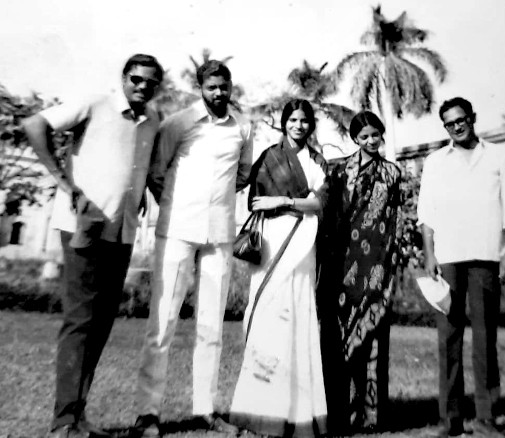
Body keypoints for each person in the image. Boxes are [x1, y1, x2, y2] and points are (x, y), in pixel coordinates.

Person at [23, 54, 164, 438]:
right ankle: (63, 421)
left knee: (100, 324)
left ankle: (78, 415)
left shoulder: (152, 118)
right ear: (124, 78)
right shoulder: (95, 102)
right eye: (136, 79)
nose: (143, 87)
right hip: (83, 226)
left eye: (151, 82)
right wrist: (65, 184)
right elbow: (35, 124)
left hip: (123, 230)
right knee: (80, 321)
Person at [131, 60, 252, 438]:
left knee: (211, 327)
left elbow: (243, 175)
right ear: (201, 87)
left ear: (231, 87)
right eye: (212, 87)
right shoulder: (179, 123)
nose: (219, 93)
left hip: (219, 236)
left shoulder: (243, 127)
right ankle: (148, 414)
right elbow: (155, 173)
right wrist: (179, 205)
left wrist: (213, 205)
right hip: (177, 231)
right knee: (162, 325)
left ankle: (206, 411)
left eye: (224, 86)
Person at [417, 97, 505, 438]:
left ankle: (486, 419)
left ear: (472, 118)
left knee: (484, 340)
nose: (456, 127)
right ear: (445, 127)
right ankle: (451, 421)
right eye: (449, 123)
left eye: (461, 120)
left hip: (486, 257)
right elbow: (426, 214)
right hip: (447, 259)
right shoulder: (435, 162)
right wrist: (429, 255)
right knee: (448, 339)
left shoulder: (497, 156)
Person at [229, 99, 328, 438]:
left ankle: (298, 417)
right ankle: (260, 414)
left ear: (310, 125)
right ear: (284, 123)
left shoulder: (316, 160)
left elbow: (320, 203)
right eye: (293, 120)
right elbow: (255, 201)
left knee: (298, 321)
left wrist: (284, 201)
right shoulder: (270, 156)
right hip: (272, 242)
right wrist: (274, 205)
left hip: (303, 244)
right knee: (269, 323)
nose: (299, 126)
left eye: (304, 121)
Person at [318, 111, 404, 434]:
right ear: (355, 139)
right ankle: (338, 416)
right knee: (337, 341)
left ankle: (371, 416)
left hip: (377, 267)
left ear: (381, 135)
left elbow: (395, 220)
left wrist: (390, 265)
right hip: (341, 266)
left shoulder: (393, 173)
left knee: (372, 341)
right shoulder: (339, 170)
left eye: (375, 135)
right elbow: (327, 218)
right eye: (364, 136)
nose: (371, 140)